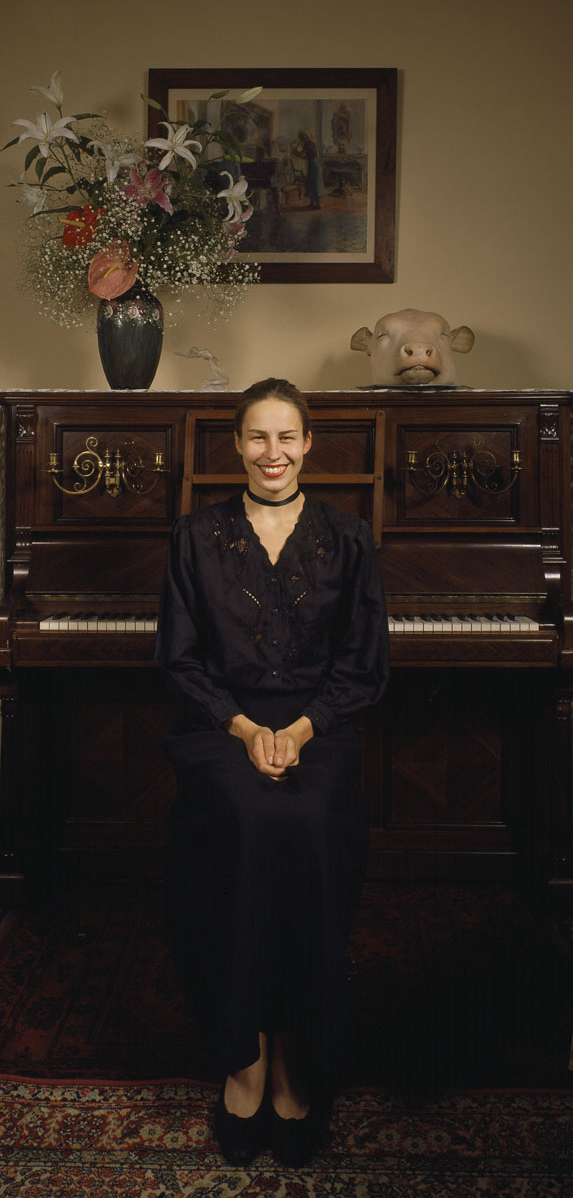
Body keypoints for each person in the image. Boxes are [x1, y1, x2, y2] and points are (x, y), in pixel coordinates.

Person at [155, 378, 389, 1167]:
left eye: (286, 437)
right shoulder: (194, 536)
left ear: (308, 444)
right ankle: (244, 1054)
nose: (272, 453)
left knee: (307, 822)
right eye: (257, 437)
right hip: (222, 726)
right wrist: (248, 729)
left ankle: (297, 1054)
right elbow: (179, 663)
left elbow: (362, 667)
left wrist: (297, 729)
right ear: (236, 444)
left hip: (316, 727)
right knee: (251, 821)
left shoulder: (349, 536)